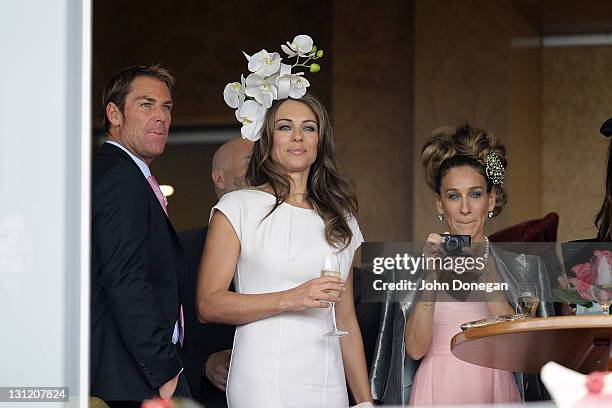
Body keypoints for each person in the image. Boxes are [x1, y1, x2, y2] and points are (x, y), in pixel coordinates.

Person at [197, 93, 373, 407]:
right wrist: (290, 298)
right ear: (268, 139)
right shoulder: (238, 206)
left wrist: (364, 402)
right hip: (262, 379)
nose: (297, 137)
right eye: (284, 127)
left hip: (327, 382)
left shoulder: (341, 217)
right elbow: (208, 304)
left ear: (320, 140)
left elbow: (344, 320)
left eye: (308, 128)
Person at [370, 124, 553, 405]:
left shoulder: (525, 267)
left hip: (497, 387)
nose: (465, 208)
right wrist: (431, 275)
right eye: (454, 196)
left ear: (491, 200)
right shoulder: (411, 268)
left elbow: (525, 351)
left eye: (475, 194)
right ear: (440, 204)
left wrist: (486, 271)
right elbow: (416, 349)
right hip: (436, 388)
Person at [91, 65, 190, 406]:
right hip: (135, 375)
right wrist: (164, 370)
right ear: (114, 113)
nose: (161, 116)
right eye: (146, 104)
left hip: (137, 370)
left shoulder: (129, 176)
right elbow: (126, 280)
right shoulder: (121, 178)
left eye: (166, 107)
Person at [180, 137, 253, 408]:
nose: (264, 167)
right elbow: (154, 330)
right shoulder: (182, 250)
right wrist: (203, 364)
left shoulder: (292, 244)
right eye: (251, 162)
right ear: (220, 179)